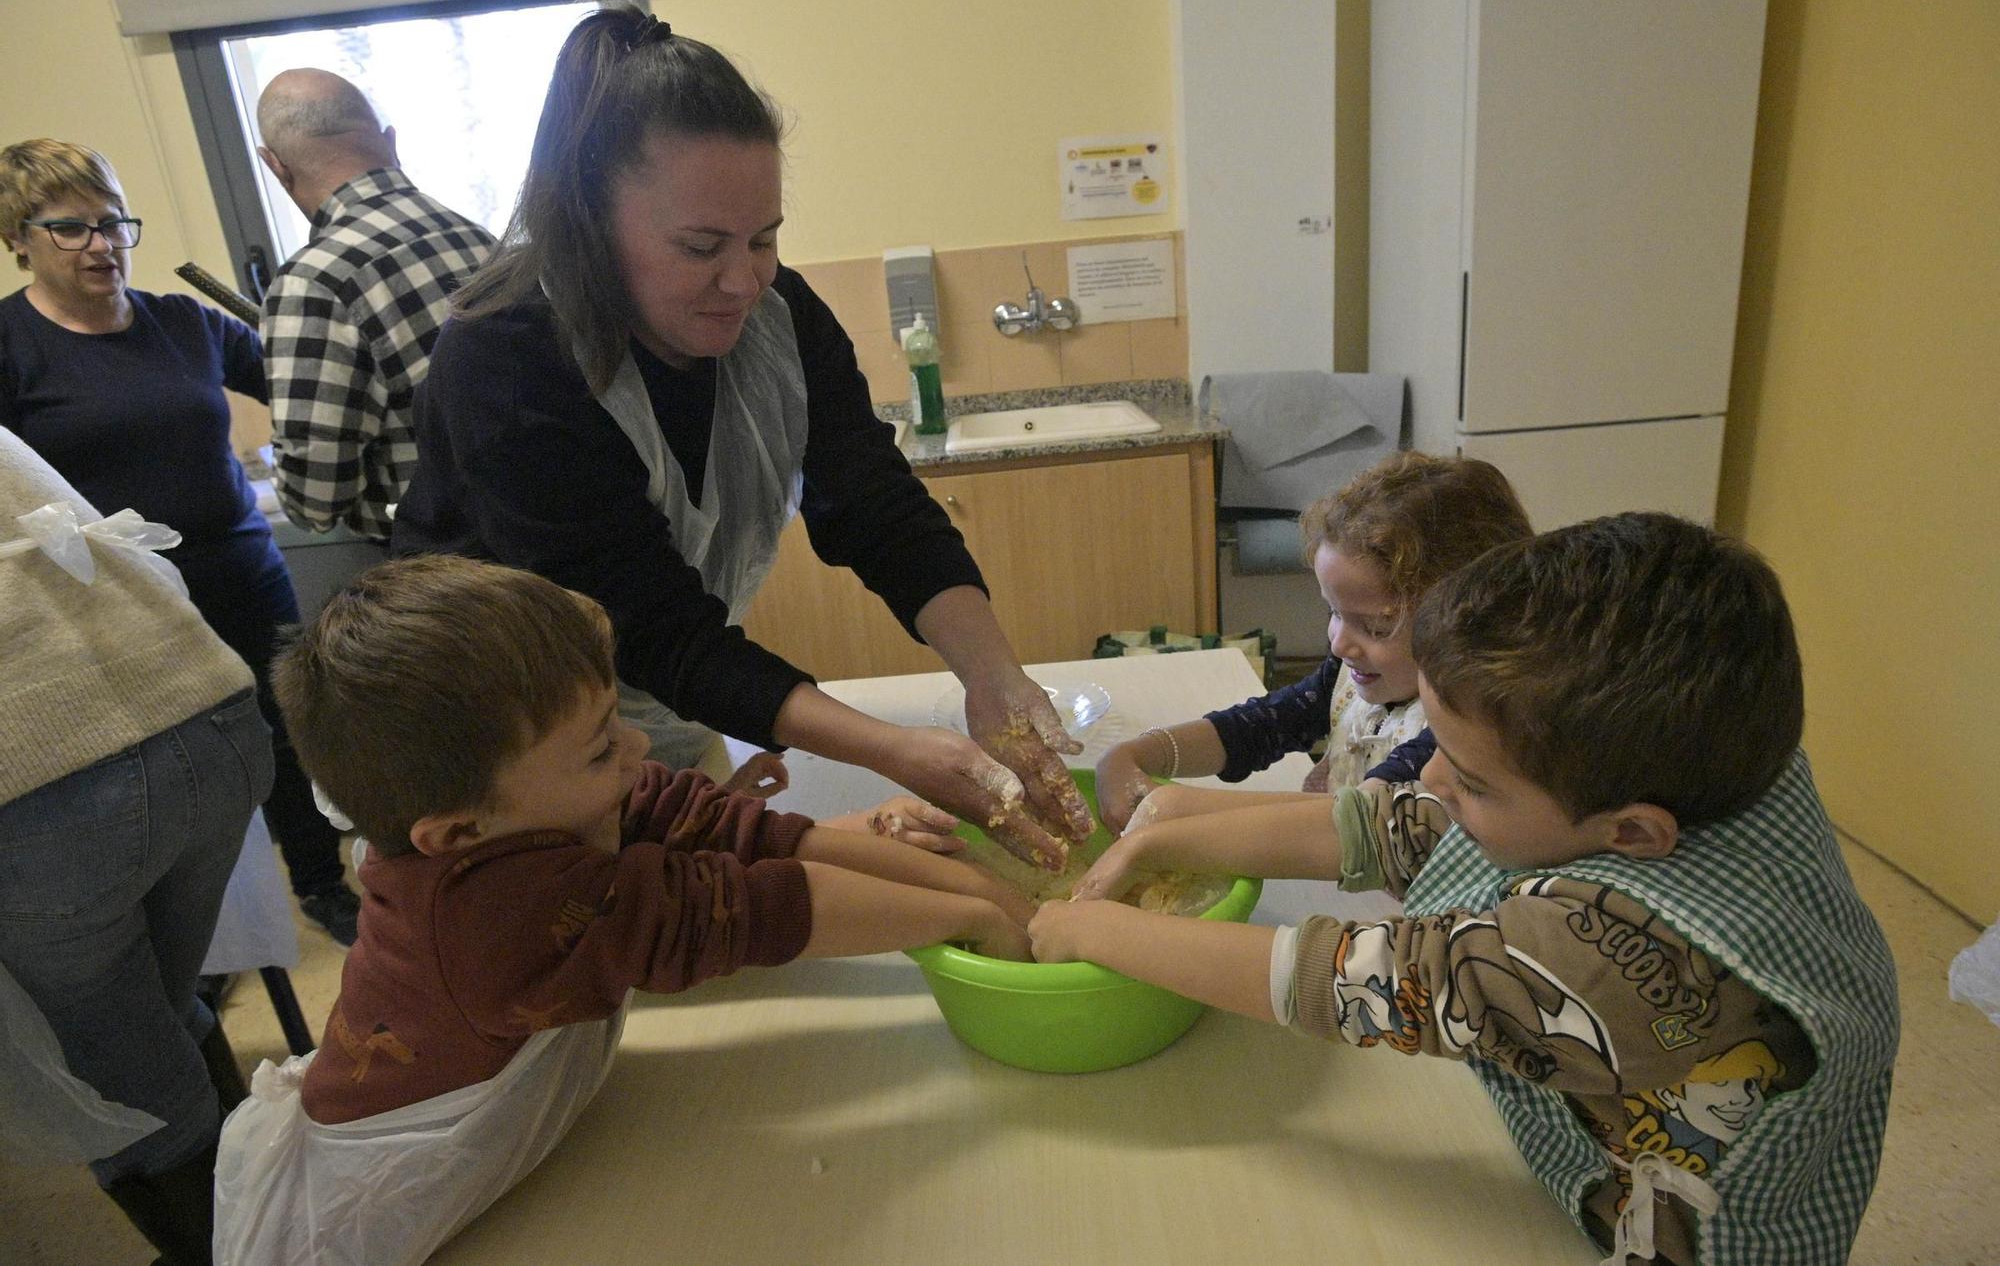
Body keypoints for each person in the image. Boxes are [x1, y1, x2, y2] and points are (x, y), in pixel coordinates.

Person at [1031, 514, 1900, 1266]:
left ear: (1633, 833)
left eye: (1473, 781)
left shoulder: (1614, 961)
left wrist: (1089, 932)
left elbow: (1353, 979)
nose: (1432, 777)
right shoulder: (1657, 765)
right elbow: (1393, 823)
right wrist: (1173, 831)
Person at [393, 0, 1088, 873]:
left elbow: (875, 503)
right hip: (493, 749)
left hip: (653, 713)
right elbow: (654, 625)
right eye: (700, 247)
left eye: (764, 239)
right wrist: (896, 749)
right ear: (592, 222)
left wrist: (994, 677)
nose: (743, 281)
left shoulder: (781, 316)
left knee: (705, 909)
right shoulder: (508, 357)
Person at [213, 554, 1034, 1265]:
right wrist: (975, 915)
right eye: (604, 745)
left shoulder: (532, 805)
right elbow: (743, 908)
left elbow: (733, 834)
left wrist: (943, 870)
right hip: (363, 1216)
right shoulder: (489, 914)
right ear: (458, 833)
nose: (637, 750)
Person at [0, 138, 359, 943]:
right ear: (18, 237)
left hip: (240, 568)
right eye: (71, 228)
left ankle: (321, 884)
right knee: (171, 761)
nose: (102, 244)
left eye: (112, 222)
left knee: (284, 732)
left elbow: (297, 381)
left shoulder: (184, 321)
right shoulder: (10, 344)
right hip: (115, 596)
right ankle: (207, 932)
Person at [0, 425, 273, 1266]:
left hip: (44, 778)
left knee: (124, 1089)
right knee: (156, 1010)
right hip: (206, 710)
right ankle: (284, 1217)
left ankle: (240, 1252)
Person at [1094, 451, 1532, 833]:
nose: (1339, 644)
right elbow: (1260, 726)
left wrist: (1171, 810)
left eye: (1376, 627)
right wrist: (1136, 754)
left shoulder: (1463, 729)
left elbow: (1354, 825)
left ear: (1469, 623)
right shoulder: (1356, 675)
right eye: (1334, 613)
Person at [254, 68, 496, 544]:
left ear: (276, 166)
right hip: (535, 535)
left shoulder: (314, 281)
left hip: (445, 561)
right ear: (389, 140)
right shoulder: (478, 238)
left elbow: (315, 500)